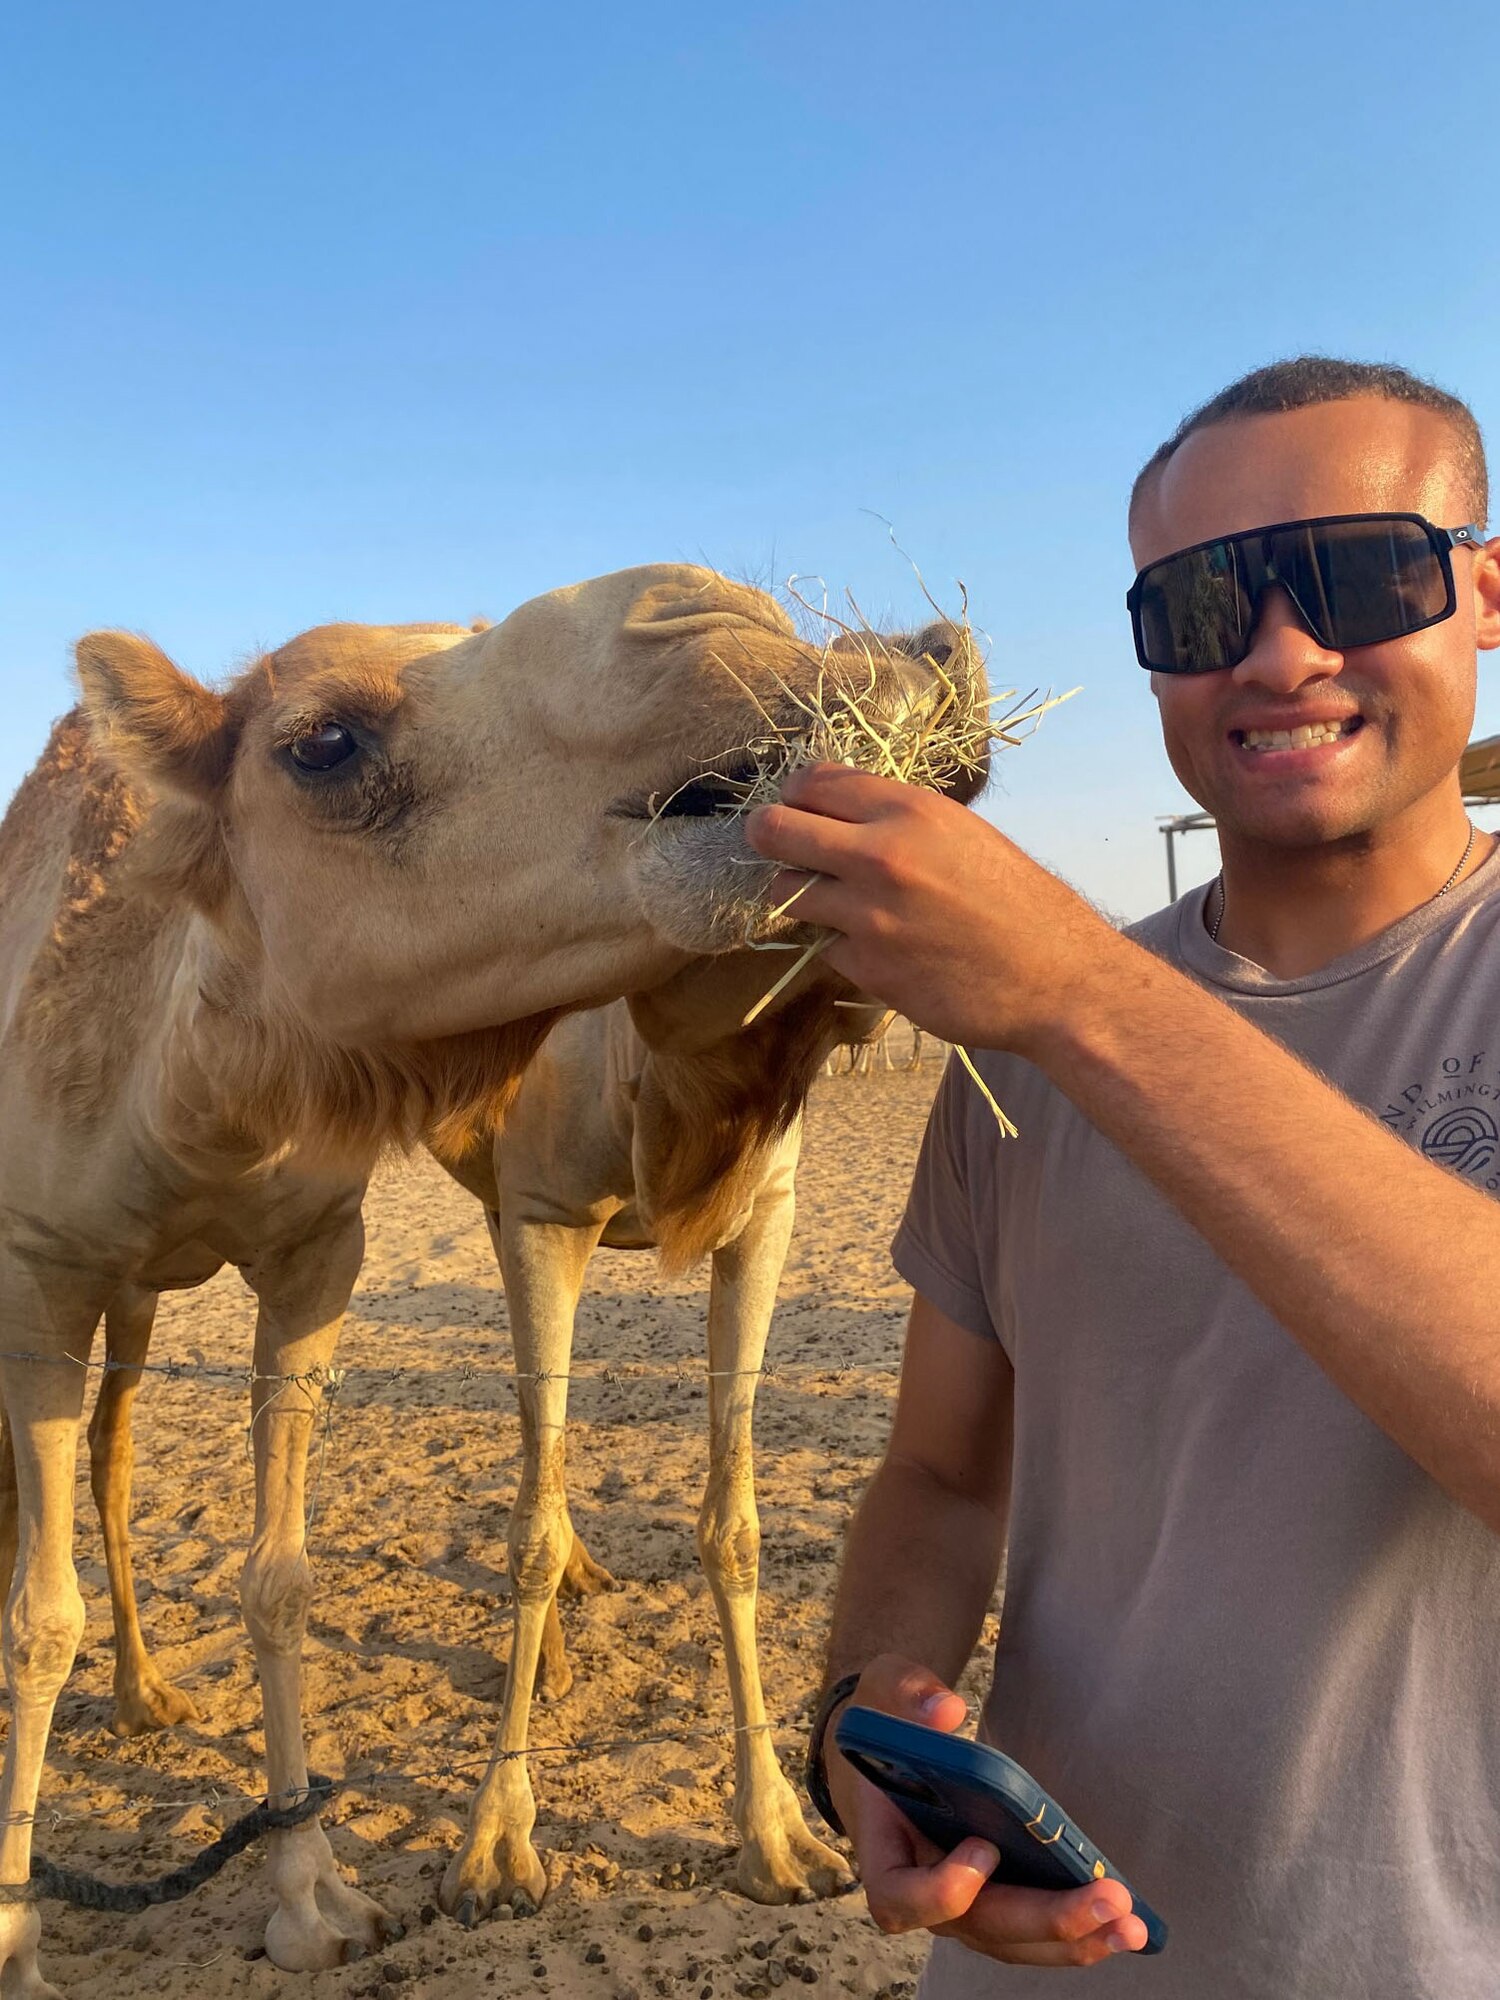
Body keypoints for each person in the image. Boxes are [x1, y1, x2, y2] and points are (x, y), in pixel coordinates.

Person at [745, 358, 1500, 1998]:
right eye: (1206, 601)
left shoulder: (1054, 1010)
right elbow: (944, 1478)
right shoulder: (1012, 1050)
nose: (1283, 651)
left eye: (1364, 571)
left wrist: (1081, 996)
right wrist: (866, 1721)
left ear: (1485, 595)